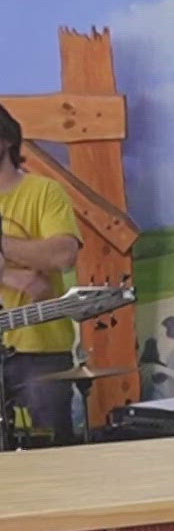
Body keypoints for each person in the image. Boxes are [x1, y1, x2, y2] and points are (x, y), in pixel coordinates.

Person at [0, 101, 83, 445]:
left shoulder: (44, 192)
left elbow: (63, 254)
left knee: (53, 452)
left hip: (42, 352)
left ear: (5, 141)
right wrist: (12, 277)